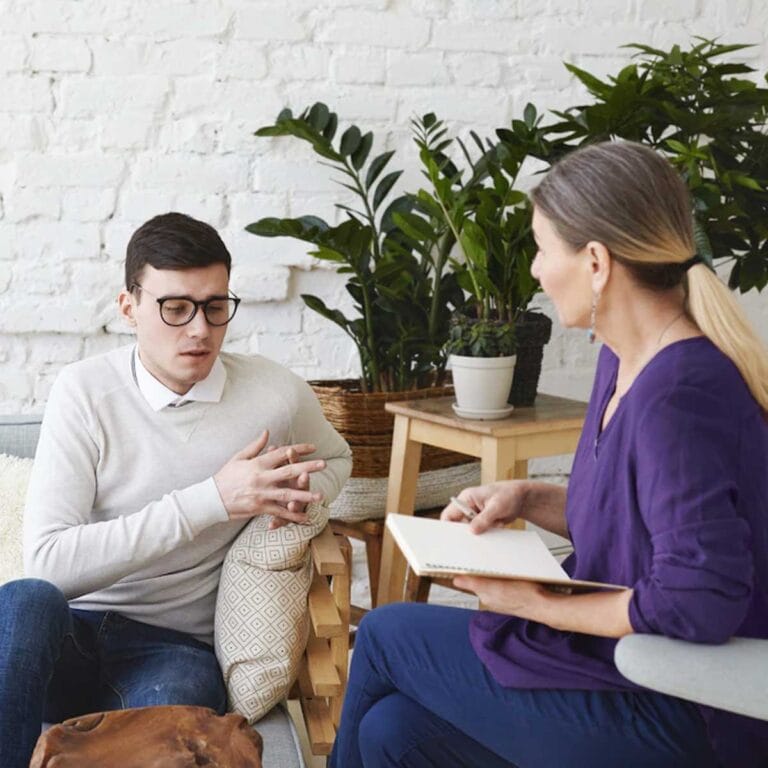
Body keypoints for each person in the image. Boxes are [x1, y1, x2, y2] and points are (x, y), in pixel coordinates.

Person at [329, 141, 768, 768]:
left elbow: (699, 598)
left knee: (384, 634)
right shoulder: (622, 360)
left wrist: (534, 605)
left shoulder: (680, 393)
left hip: (682, 708)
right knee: (392, 733)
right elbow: (646, 518)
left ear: (595, 262)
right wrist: (530, 499)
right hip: (622, 670)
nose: (534, 270)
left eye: (542, 248)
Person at [0, 212, 352, 768]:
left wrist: (297, 493)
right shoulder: (84, 393)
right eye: (176, 307)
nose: (199, 330)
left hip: (171, 649)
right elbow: (50, 565)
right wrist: (212, 499)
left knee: (182, 729)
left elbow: (338, 457)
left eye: (216, 307)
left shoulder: (274, 394)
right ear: (129, 308)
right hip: (69, 633)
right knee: (24, 600)